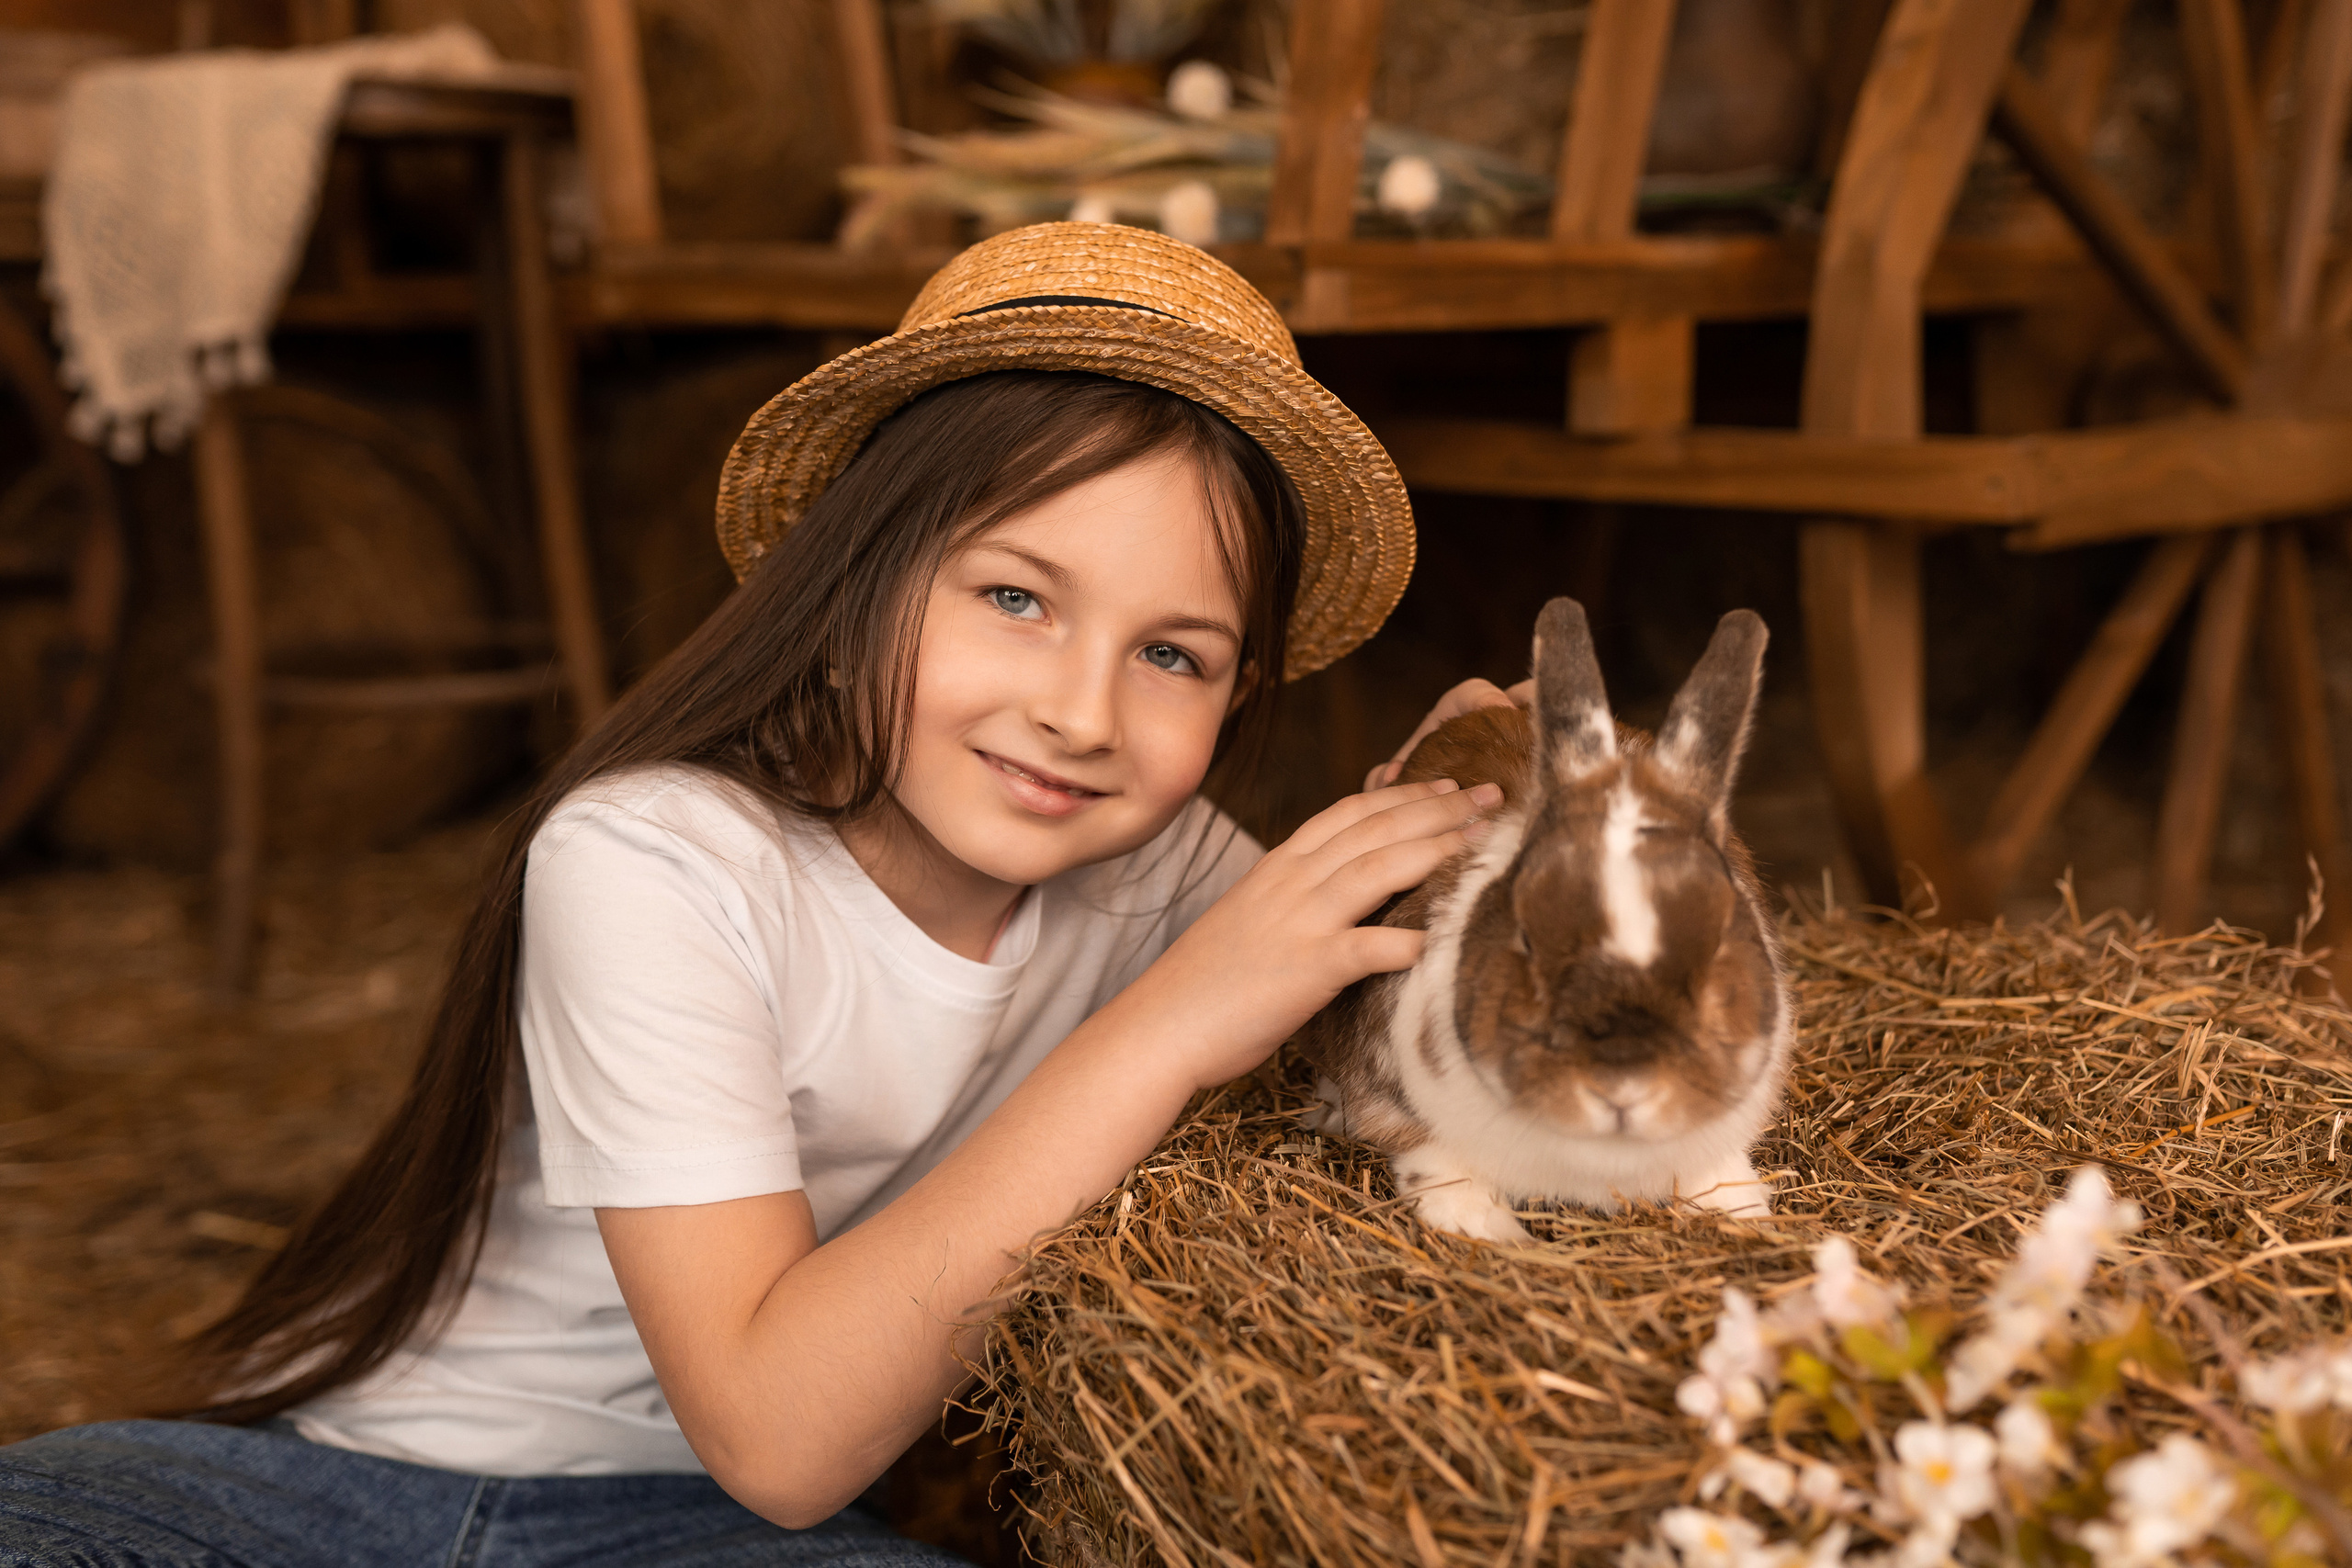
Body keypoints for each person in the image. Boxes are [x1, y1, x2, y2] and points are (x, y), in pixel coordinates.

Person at [0, 222, 1512, 1567]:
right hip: (335, 1492)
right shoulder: (650, 857)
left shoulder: (1160, 870)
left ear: (1238, 693)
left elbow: (1401, 1017)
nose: (1083, 712)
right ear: (852, 588)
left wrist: (1465, 818)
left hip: (697, 1536)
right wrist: (1174, 1025)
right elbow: (779, 1434)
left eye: (1173, 653)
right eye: (1014, 597)